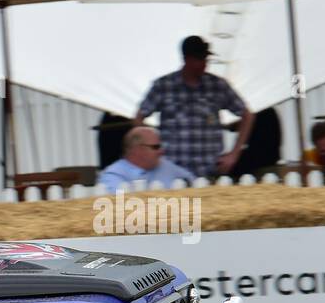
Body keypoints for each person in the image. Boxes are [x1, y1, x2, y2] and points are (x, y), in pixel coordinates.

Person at [135, 36, 253, 180]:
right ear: (186, 59)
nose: (204, 64)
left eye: (205, 59)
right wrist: (151, 151)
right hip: (173, 172)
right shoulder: (164, 86)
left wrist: (234, 154)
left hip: (210, 172)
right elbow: (138, 118)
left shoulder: (217, 85)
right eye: (199, 59)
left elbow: (247, 115)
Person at [98, 127, 195, 191]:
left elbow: (194, 182)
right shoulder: (113, 175)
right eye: (156, 147)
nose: (162, 151)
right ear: (138, 149)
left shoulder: (165, 165)